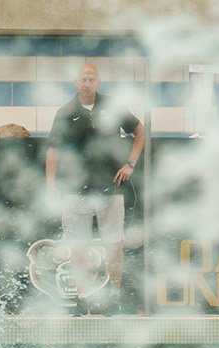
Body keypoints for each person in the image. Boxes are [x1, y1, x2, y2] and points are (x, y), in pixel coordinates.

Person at [45, 64, 146, 315]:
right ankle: (83, 298)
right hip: (74, 191)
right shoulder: (65, 112)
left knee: (115, 246)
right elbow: (53, 150)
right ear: (76, 82)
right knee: (78, 247)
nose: (87, 83)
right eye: (83, 79)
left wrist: (130, 164)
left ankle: (114, 296)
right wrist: (50, 185)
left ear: (98, 83)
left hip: (109, 189)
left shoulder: (112, 107)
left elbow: (139, 130)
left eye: (91, 79)